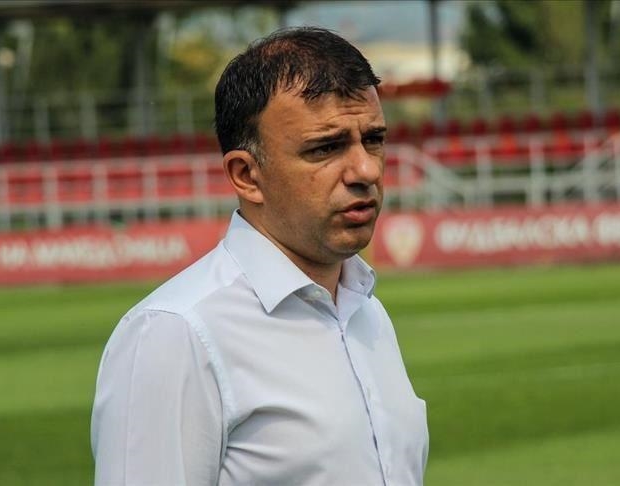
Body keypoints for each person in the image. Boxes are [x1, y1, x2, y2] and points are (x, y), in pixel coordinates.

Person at [91, 26, 429, 485]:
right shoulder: (176, 334)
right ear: (246, 175)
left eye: (373, 139)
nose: (366, 170)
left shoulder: (367, 313)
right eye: (325, 148)